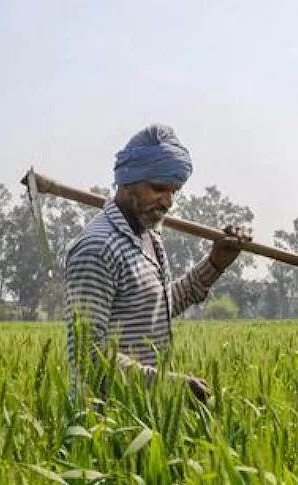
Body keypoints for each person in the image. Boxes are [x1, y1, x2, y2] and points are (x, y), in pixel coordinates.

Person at [65, 124, 250, 401]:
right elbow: (87, 355)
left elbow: (157, 307)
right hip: (103, 423)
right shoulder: (98, 248)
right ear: (127, 181)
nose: (169, 201)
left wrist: (215, 264)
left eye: (174, 190)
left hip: (144, 411)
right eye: (158, 188)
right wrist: (168, 384)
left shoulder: (148, 236)